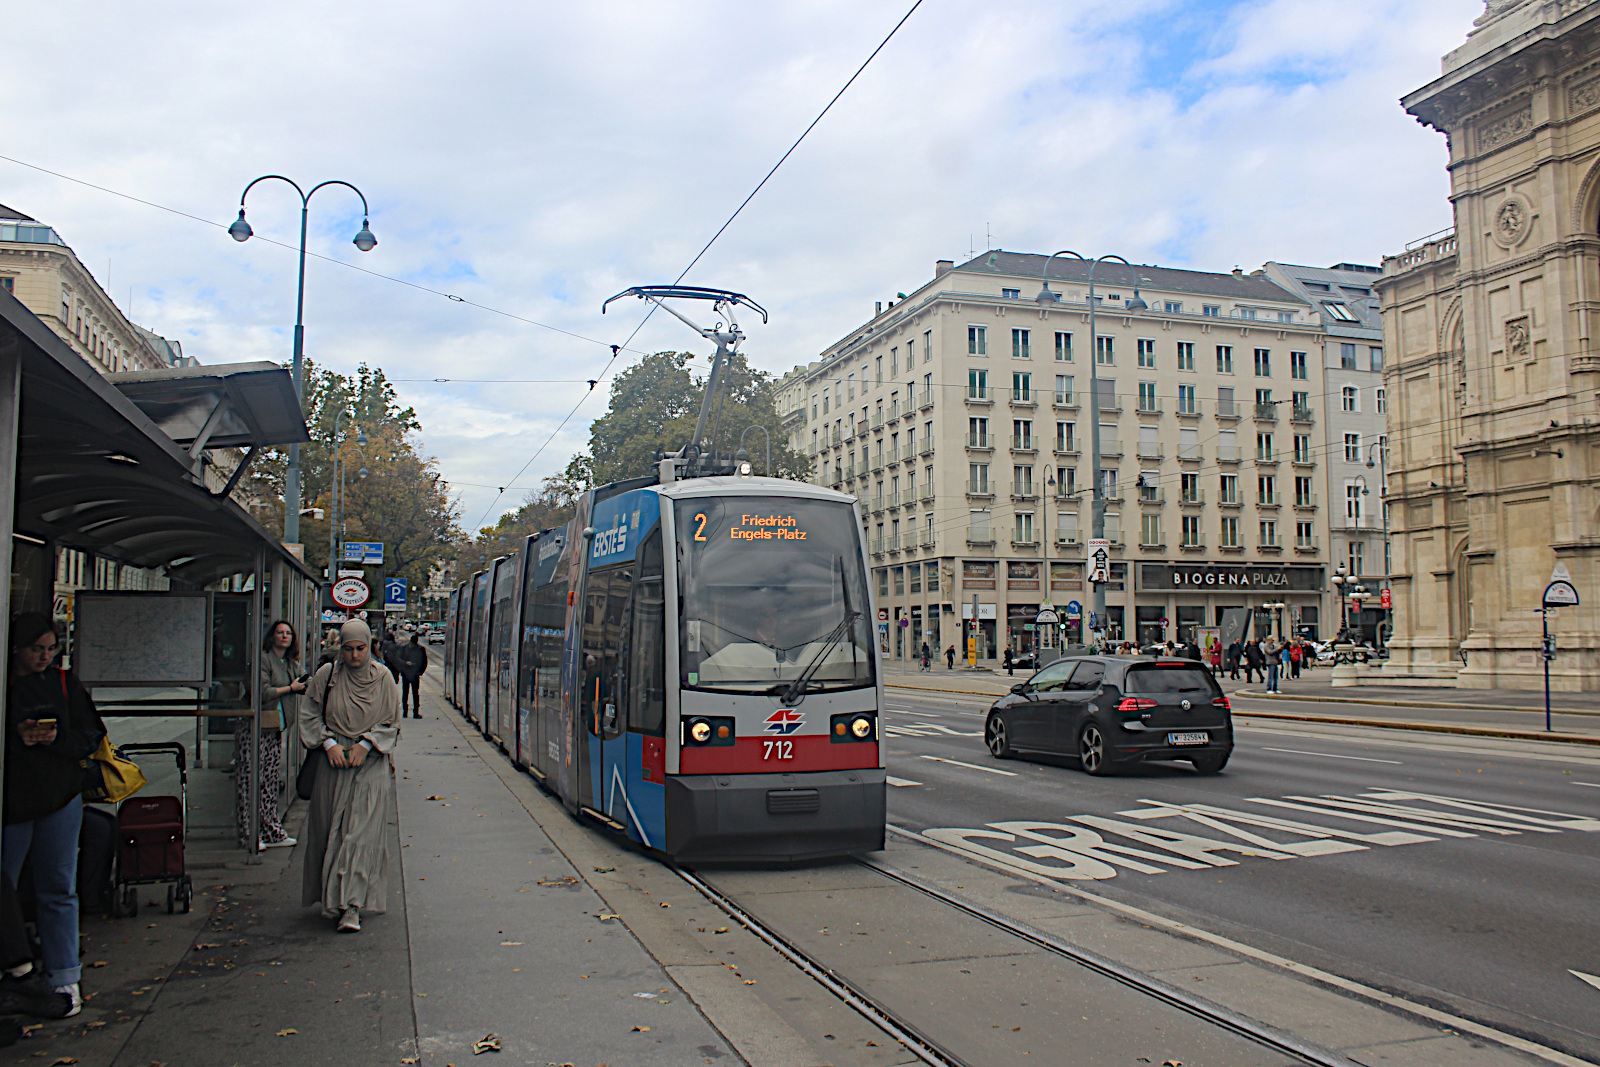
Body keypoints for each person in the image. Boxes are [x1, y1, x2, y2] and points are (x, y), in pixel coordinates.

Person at [3, 614, 106, 1017]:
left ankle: (65, 974)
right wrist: (18, 737)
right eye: (36, 649)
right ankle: (14, 970)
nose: (45, 657)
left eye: (51, 649)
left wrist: (55, 738)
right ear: (17, 649)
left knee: (60, 887)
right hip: (12, 801)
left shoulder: (64, 682)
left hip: (59, 797)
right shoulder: (8, 684)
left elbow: (92, 735)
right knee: (5, 888)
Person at [300, 619, 400, 933]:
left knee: (361, 834)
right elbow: (310, 712)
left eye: (361, 648)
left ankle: (352, 905)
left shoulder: (383, 677)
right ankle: (335, 900)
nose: (355, 656)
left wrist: (367, 744)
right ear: (339, 648)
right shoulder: (326, 675)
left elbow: (392, 721)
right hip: (334, 765)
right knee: (333, 830)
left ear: (370, 645)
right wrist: (328, 743)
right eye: (348, 649)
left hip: (369, 764)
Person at [244, 620, 302, 850]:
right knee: (252, 782)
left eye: (288, 633)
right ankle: (250, 834)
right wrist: (291, 688)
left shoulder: (289, 663)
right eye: (280, 632)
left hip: (275, 727)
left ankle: (270, 831)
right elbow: (261, 691)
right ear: (272, 636)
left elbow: (303, 681)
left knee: (268, 782)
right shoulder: (264, 658)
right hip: (256, 728)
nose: (284, 636)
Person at [395, 634, 428, 718]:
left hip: (415, 673)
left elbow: (424, 661)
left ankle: (415, 712)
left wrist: (420, 672)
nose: (413, 645)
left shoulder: (420, 649)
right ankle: (405, 712)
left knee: (415, 693)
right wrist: (405, 663)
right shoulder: (404, 648)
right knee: (405, 693)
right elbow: (398, 658)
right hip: (406, 673)